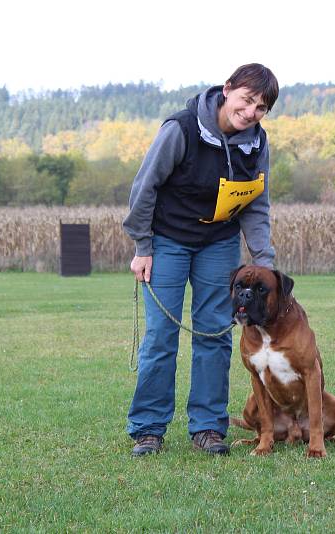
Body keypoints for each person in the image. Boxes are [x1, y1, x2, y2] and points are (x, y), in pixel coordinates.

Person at [122, 63, 279, 456]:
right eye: (246, 100)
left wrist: (265, 261)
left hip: (219, 243)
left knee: (215, 332)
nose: (250, 113)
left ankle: (207, 428)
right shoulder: (181, 129)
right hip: (168, 241)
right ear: (227, 90)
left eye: (261, 108)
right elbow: (145, 187)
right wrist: (143, 247)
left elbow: (255, 205)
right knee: (161, 335)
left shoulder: (256, 144)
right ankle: (148, 429)